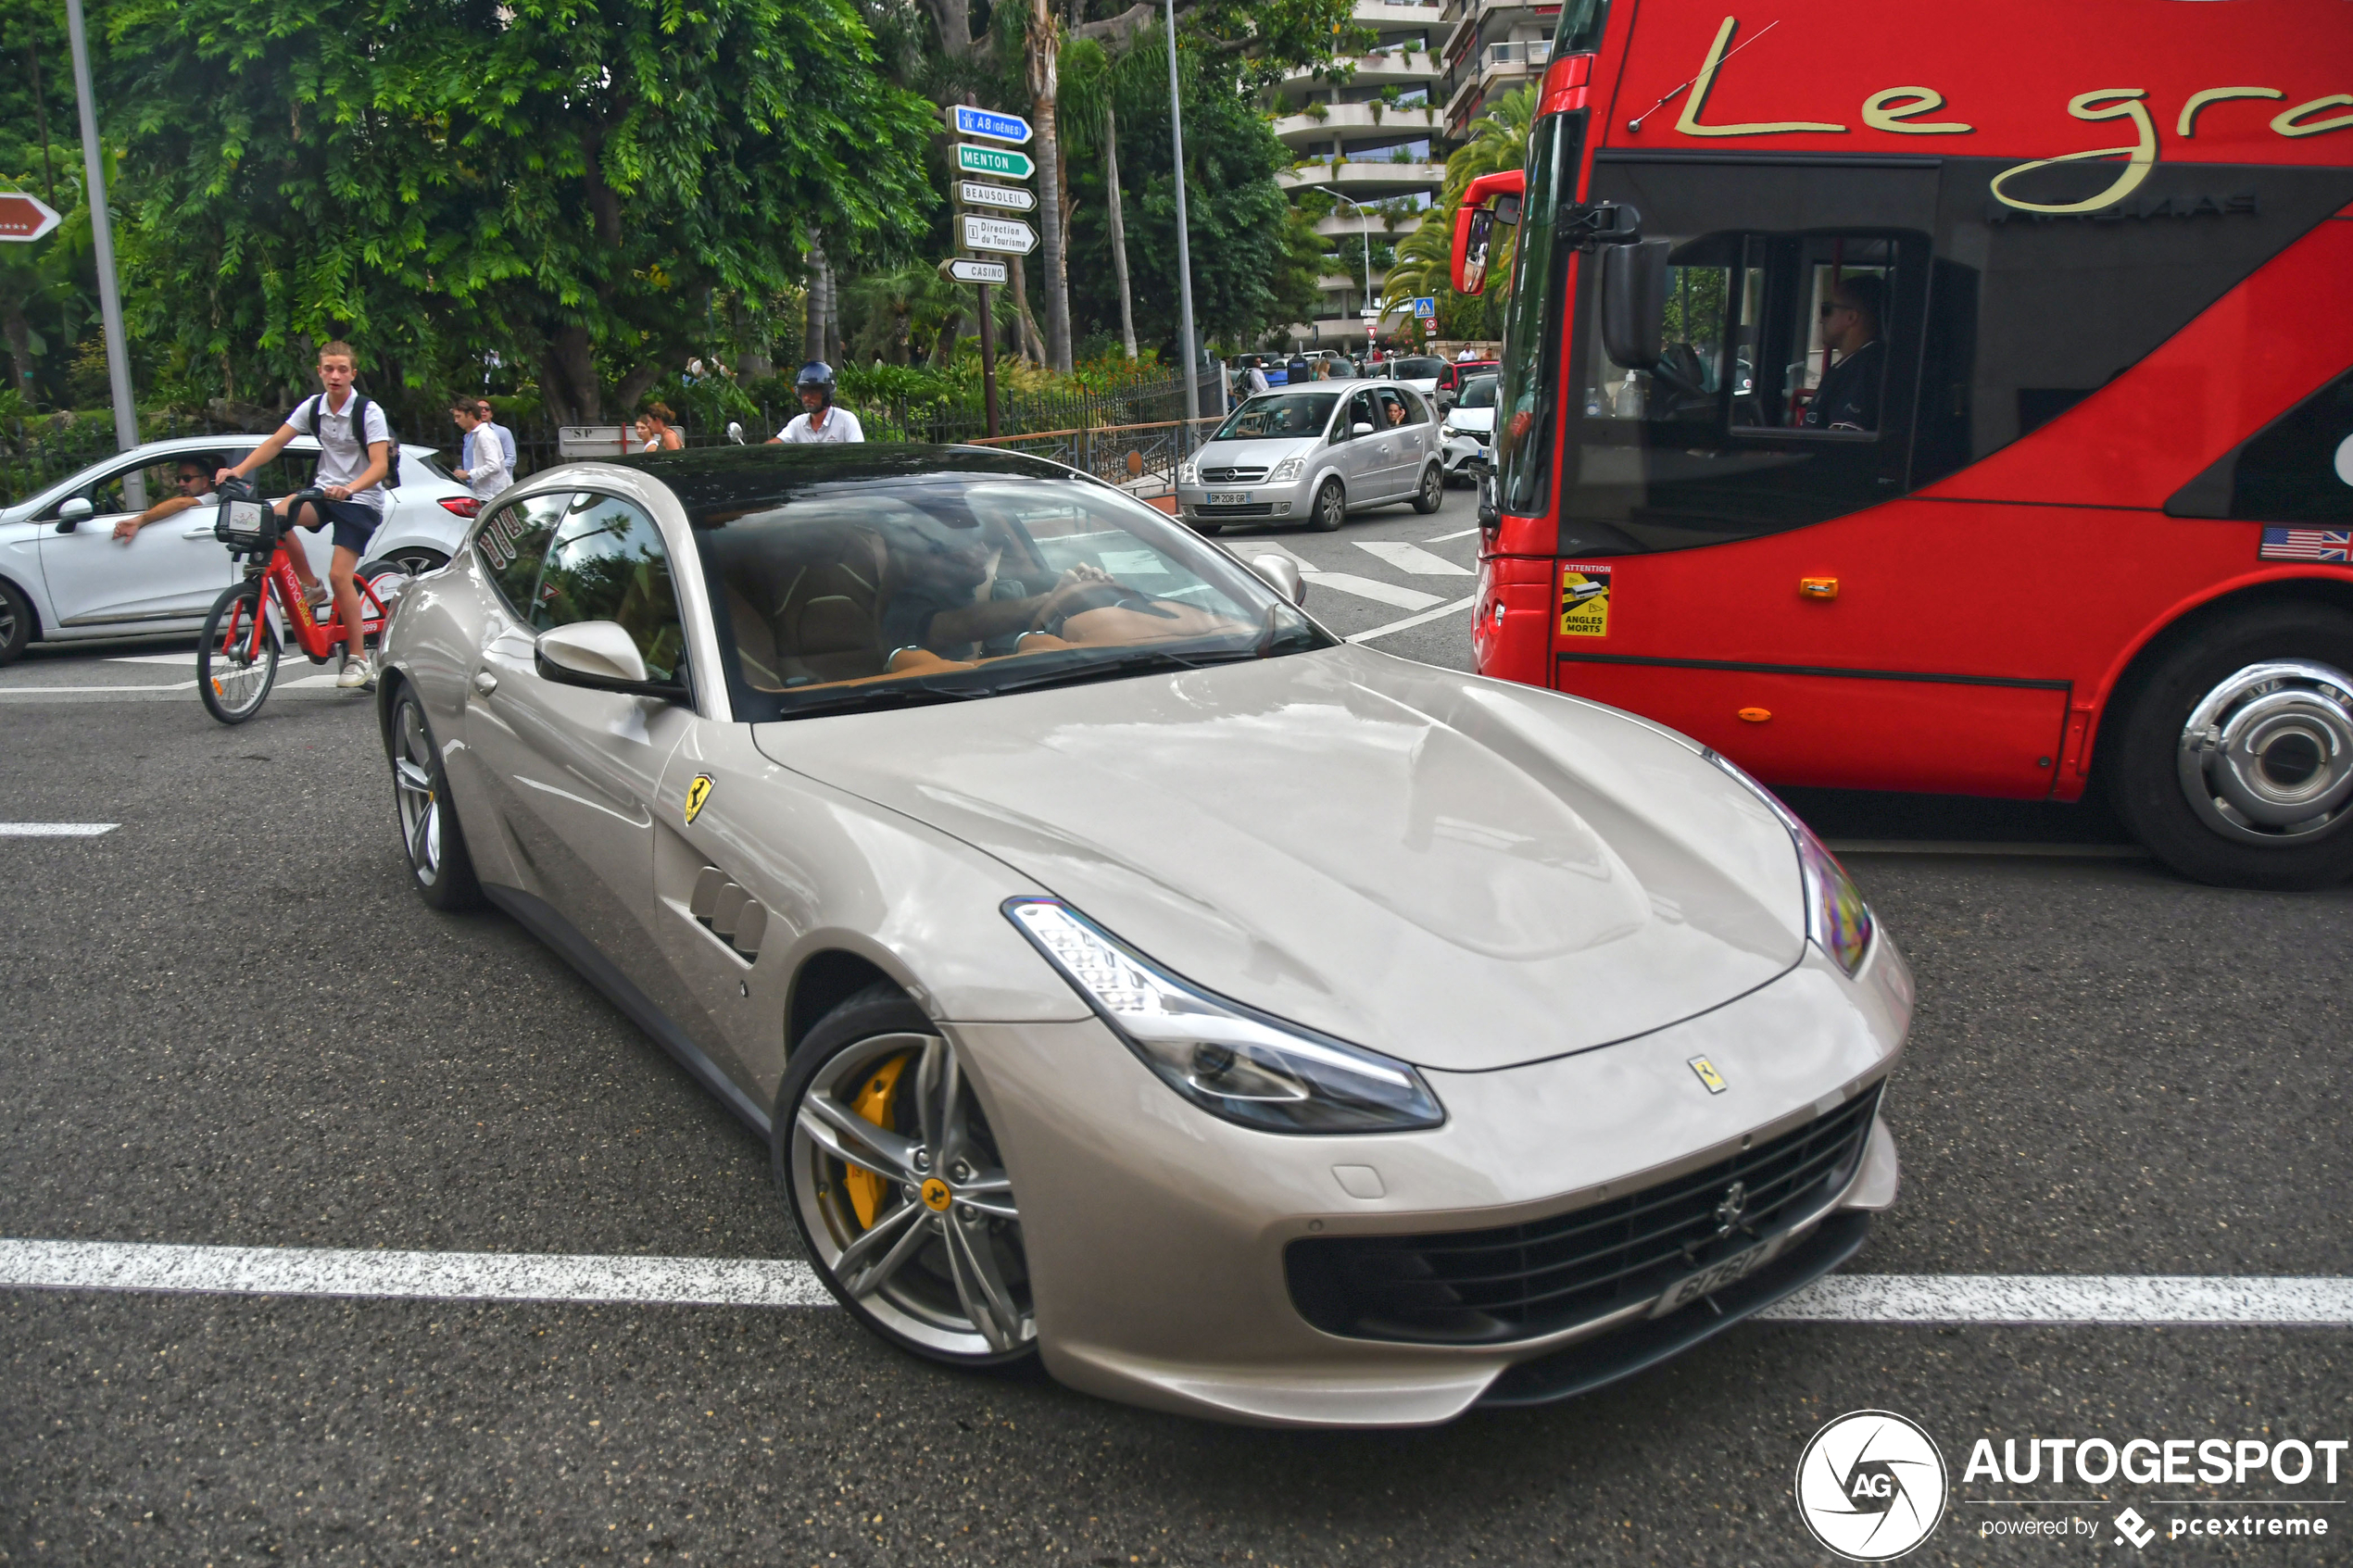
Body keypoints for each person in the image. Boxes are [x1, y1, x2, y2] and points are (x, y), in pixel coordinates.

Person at [217, 340, 388, 688]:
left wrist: (351, 488)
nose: (335, 376)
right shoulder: (313, 407)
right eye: (329, 369)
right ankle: (310, 587)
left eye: (342, 369)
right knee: (274, 517)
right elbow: (276, 443)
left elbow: (380, 465)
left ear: (353, 373)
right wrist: (240, 470)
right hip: (325, 492)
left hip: (360, 500)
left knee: (341, 576)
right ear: (320, 372)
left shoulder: (368, 412)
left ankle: (358, 657)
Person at [1805, 275, 1887, 433]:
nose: (1822, 319)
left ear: (1851, 317)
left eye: (1827, 310)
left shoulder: (1865, 368)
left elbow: (1840, 444)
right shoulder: (1851, 364)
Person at [112, 456, 218, 542]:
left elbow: (180, 503)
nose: (181, 484)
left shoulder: (212, 499)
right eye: (178, 479)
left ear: (204, 481)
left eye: (187, 479)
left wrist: (139, 521)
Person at [770, 362, 863, 444]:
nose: (806, 397)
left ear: (826, 393)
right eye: (803, 392)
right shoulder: (798, 424)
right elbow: (777, 443)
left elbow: (858, 455)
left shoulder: (846, 420)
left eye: (813, 392)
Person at [450, 397, 513, 500]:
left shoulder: (484, 435)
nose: (456, 421)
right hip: (488, 494)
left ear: (470, 414)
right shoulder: (478, 434)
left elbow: (494, 466)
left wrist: (469, 474)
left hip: (492, 496)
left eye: (459, 416)